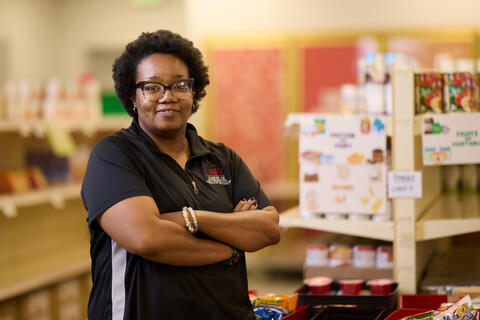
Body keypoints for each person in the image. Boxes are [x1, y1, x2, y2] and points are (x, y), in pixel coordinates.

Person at [81, 29, 281, 320]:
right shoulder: (114, 155)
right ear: (132, 96)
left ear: (193, 91)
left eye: (180, 85)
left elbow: (269, 229)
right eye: (152, 87)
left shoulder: (222, 158)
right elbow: (146, 237)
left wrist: (192, 218)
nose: (168, 96)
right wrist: (232, 245)